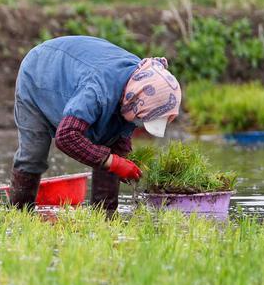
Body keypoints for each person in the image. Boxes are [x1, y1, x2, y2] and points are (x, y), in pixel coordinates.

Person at [11, 36, 181, 212]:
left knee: (110, 147)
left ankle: (105, 216)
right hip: (39, 73)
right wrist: (113, 162)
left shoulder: (140, 82)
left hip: (79, 76)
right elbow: (66, 136)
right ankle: (18, 213)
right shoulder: (97, 91)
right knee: (34, 154)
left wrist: (123, 161)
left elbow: (118, 135)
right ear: (136, 100)